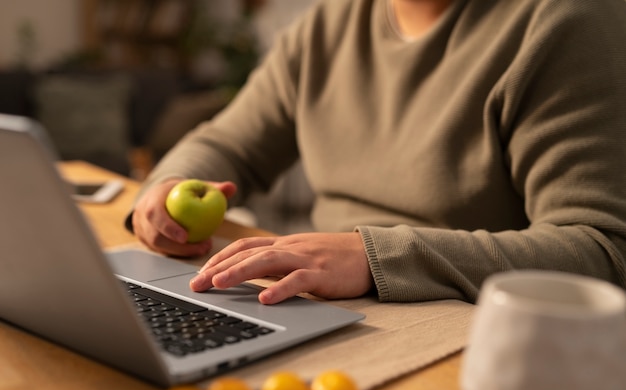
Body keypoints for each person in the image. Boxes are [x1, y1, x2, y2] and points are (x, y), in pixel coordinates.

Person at [127, 0, 626, 305]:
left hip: (462, 327)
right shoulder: (326, 26)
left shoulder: (566, 21)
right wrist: (167, 188)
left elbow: (604, 250)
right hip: (317, 304)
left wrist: (373, 255)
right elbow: (227, 142)